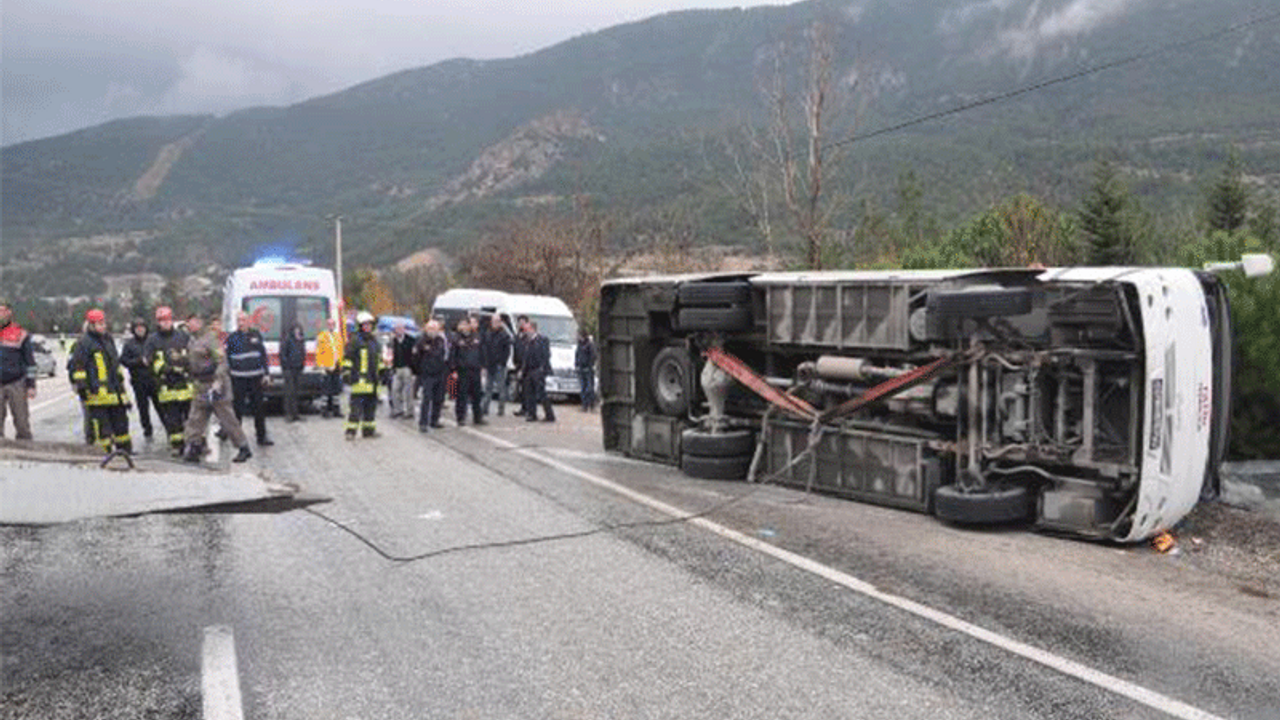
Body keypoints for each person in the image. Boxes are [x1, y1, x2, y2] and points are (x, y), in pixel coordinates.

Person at [180, 313, 251, 463]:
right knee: (195, 418)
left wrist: (218, 381)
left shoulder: (211, 339)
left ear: (199, 322)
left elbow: (222, 361)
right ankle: (193, 447)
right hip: (201, 385)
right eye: (187, 323)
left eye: (191, 322)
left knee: (227, 419)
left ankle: (243, 447)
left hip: (215, 384)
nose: (188, 325)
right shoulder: (193, 340)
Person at [69, 309, 132, 453]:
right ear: (91, 325)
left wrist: (122, 392)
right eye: (99, 324)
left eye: (104, 323)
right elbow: (79, 368)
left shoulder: (108, 340)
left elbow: (115, 367)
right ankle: (103, 454)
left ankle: (126, 452)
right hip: (96, 395)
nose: (103, 326)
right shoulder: (84, 343)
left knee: (122, 426)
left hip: (114, 393)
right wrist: (83, 388)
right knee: (102, 430)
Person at [143, 306, 193, 454]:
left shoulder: (183, 336)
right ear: (158, 322)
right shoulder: (152, 340)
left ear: (172, 320)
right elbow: (148, 361)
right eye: (162, 320)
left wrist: (185, 366)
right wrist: (168, 369)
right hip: (166, 386)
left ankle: (194, 445)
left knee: (191, 418)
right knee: (172, 420)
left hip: (185, 385)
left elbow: (193, 354)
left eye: (168, 320)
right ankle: (177, 446)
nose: (165, 323)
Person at [225, 312, 273, 445]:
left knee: (258, 408)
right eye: (239, 320)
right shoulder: (232, 338)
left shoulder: (256, 335)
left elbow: (263, 355)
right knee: (238, 409)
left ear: (249, 321)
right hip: (238, 378)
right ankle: (238, 439)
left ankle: (261, 437)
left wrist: (266, 374)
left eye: (243, 320)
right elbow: (227, 358)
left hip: (256, 378)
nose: (241, 322)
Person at [0, 299, 38, 440]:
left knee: (22, 422)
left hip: (16, 382)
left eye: (3, 310)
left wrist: (31, 385)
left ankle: (26, 452)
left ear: (9, 312)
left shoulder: (20, 333)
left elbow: (30, 362)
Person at [119, 318, 162, 440]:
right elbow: (123, 360)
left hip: (154, 379)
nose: (140, 329)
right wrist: (138, 361)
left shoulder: (152, 341)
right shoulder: (129, 344)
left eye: (142, 327)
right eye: (137, 327)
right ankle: (147, 430)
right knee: (143, 408)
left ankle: (168, 426)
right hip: (139, 381)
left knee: (160, 406)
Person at [343, 311, 381, 439]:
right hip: (359, 380)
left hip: (372, 381)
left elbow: (378, 359)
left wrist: (383, 371)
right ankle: (350, 432)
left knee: (370, 408)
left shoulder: (374, 341)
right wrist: (347, 372)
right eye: (365, 325)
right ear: (360, 326)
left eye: (369, 325)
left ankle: (368, 431)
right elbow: (347, 358)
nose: (368, 327)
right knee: (356, 408)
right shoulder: (355, 341)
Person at [412, 320, 448, 432]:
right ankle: (423, 423)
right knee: (426, 399)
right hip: (427, 374)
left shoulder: (440, 341)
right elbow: (415, 358)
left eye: (435, 329)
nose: (433, 331)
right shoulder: (421, 341)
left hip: (440, 373)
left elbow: (445, 356)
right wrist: (420, 371)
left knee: (438, 399)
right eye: (431, 328)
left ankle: (434, 420)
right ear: (426, 329)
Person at [521, 319, 556, 422]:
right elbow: (525, 356)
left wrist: (542, 368)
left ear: (532, 328)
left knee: (541, 393)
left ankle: (549, 415)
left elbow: (546, 355)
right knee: (529, 393)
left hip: (538, 370)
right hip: (529, 370)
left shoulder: (542, 340)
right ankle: (532, 414)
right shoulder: (527, 341)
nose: (525, 331)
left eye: (527, 328)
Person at [480, 314, 512, 417]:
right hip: (490, 364)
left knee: (501, 388)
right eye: (494, 321)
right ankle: (484, 408)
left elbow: (507, 351)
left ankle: (501, 409)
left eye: (497, 321)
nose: (495, 323)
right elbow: (484, 349)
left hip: (500, 365)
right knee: (488, 388)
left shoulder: (504, 335)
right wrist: (485, 363)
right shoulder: (487, 334)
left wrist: (502, 362)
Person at [315, 318, 344, 418]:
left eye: (332, 324)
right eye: (329, 324)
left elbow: (340, 350)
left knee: (336, 390)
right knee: (326, 390)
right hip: (326, 366)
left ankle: (336, 409)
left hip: (336, 366)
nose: (331, 326)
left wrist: (341, 364)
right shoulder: (322, 336)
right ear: (326, 325)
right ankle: (325, 410)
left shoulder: (337, 336)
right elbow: (319, 351)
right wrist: (321, 365)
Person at [388, 322, 415, 420]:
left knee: (408, 391)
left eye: (400, 328)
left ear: (404, 329)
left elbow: (414, 355)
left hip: (407, 368)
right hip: (397, 368)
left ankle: (409, 411)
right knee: (395, 390)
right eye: (396, 329)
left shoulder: (410, 340)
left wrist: (413, 369)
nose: (398, 330)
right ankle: (398, 410)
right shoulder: (394, 341)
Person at [280, 322, 306, 422]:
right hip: (289, 369)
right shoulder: (287, 340)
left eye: (299, 330)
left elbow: (303, 353)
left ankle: (295, 413)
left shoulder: (300, 340)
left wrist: (302, 365)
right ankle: (288, 414)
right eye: (296, 329)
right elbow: (283, 354)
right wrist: (286, 366)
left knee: (296, 392)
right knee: (289, 393)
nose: (297, 331)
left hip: (297, 368)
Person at [511, 315, 531, 416]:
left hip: (526, 365)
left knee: (527, 389)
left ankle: (528, 409)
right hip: (518, 364)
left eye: (523, 322)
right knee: (521, 388)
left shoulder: (528, 336)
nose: (521, 324)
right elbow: (515, 349)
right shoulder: (517, 335)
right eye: (519, 322)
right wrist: (515, 362)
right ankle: (523, 408)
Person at [575, 329, 598, 411]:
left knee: (589, 388)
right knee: (583, 388)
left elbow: (593, 356)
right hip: (581, 368)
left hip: (588, 369)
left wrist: (589, 365)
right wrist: (577, 364)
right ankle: (584, 405)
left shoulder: (589, 344)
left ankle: (592, 405)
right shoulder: (580, 345)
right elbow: (577, 355)